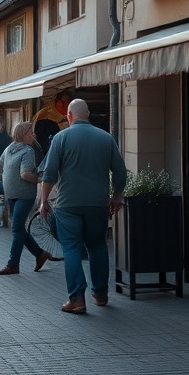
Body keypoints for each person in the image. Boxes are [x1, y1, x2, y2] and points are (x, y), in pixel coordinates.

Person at [39, 98, 127, 314]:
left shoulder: (60, 138)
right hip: (98, 204)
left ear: (69, 115)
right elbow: (121, 172)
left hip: (68, 204)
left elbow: (49, 174)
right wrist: (116, 196)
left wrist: (43, 201)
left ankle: (77, 299)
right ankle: (100, 294)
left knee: (71, 248)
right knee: (97, 246)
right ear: (87, 114)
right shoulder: (106, 138)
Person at [0, 122, 52, 275]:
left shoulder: (10, 149)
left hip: (19, 195)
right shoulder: (26, 150)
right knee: (18, 228)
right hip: (18, 194)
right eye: (31, 132)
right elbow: (25, 174)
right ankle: (40, 254)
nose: (34, 135)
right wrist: (40, 180)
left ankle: (13, 264)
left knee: (17, 228)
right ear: (24, 133)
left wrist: (2, 178)